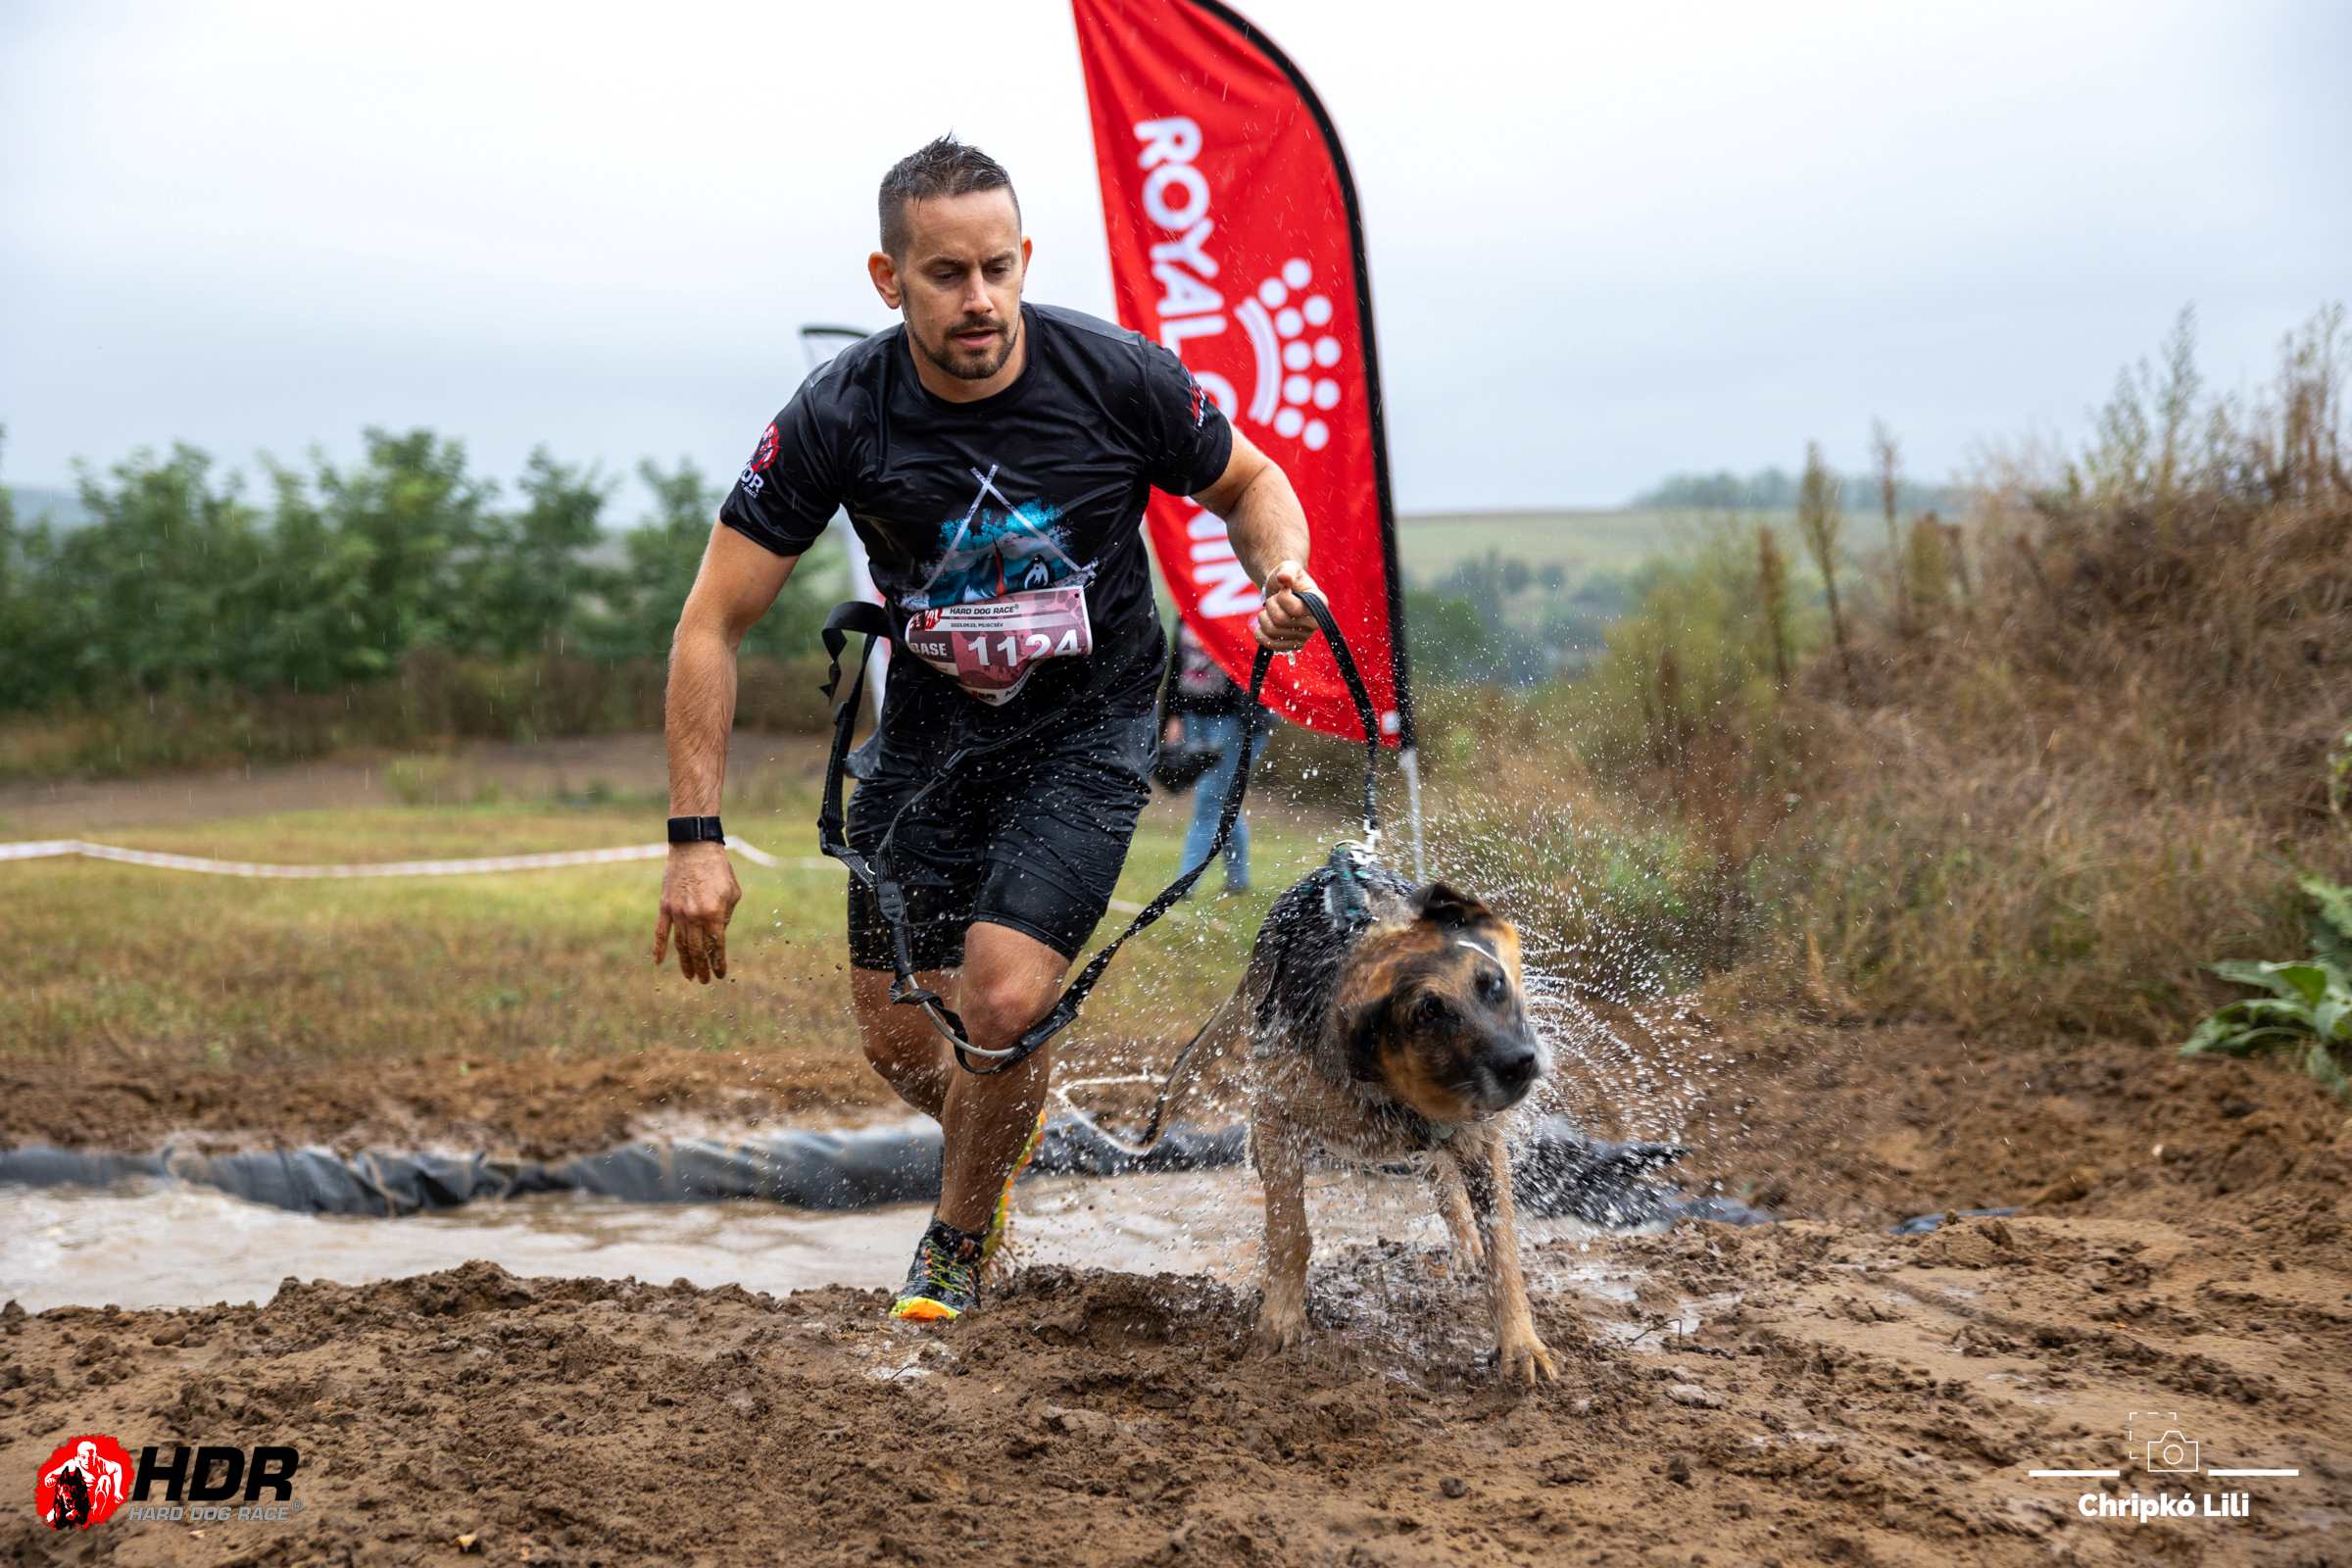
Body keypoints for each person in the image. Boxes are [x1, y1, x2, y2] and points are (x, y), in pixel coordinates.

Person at [653, 136, 1323, 1322]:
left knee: (1001, 1005)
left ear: (1026, 261)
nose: (980, 301)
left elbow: (1252, 484)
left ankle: (955, 1249)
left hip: (1092, 724)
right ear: (887, 277)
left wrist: (1280, 571)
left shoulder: (1117, 376)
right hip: (928, 737)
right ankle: (999, 1138)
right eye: (947, 274)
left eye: (999, 269)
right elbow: (711, 621)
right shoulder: (838, 412)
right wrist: (694, 834)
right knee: (907, 1040)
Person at [1161, 620, 1259, 894]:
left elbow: (1251, 664)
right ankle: (1238, 880)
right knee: (1224, 800)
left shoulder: (1236, 606)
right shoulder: (1188, 604)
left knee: (1210, 800)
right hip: (1194, 712)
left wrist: (1248, 719)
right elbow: (1177, 664)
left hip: (1235, 718)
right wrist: (1174, 715)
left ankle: (1185, 884)